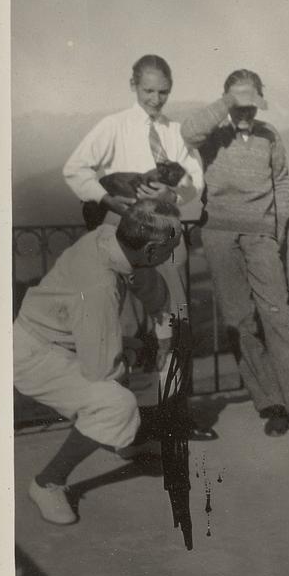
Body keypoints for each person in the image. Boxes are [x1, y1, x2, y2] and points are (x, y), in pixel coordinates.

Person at [63, 55, 212, 437]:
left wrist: (175, 193)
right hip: (123, 236)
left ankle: (175, 416)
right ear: (133, 85)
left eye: (163, 92)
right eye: (148, 90)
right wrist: (107, 199)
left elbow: (195, 181)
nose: (156, 99)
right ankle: (123, 422)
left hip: (167, 233)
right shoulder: (112, 127)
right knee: (123, 327)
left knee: (175, 319)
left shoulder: (177, 133)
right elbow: (75, 168)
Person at [14, 200, 183, 525]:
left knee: (137, 353)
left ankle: (125, 441)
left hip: (66, 338)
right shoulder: (99, 286)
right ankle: (47, 482)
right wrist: (134, 353)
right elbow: (101, 369)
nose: (174, 252)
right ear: (150, 249)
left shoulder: (111, 238)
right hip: (35, 354)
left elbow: (147, 283)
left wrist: (161, 337)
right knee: (114, 404)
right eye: (171, 247)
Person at [180, 69, 289, 441]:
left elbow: (282, 181)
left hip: (262, 236)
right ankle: (270, 404)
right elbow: (188, 132)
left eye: (251, 104)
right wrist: (230, 100)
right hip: (219, 235)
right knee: (240, 320)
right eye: (239, 105)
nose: (246, 112)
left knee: (279, 317)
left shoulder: (269, 135)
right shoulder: (213, 133)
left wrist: (276, 230)